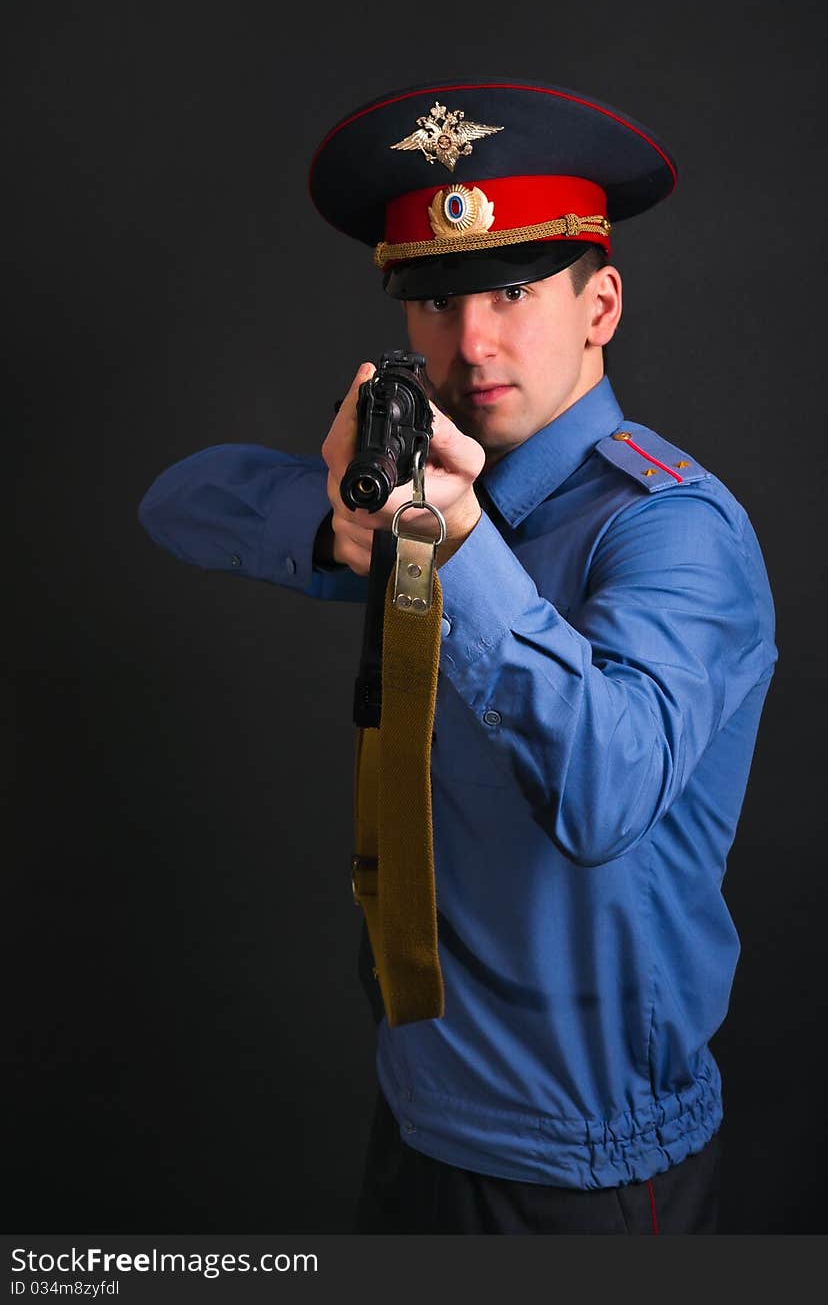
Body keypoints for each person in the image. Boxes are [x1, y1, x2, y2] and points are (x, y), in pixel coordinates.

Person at [138, 77, 777, 1234]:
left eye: (514, 290)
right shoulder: (414, 502)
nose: (471, 341)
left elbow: (604, 790)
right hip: (419, 1113)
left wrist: (456, 539)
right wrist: (331, 518)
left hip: (584, 1162)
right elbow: (174, 503)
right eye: (434, 303)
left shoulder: (671, 529)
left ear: (601, 307)